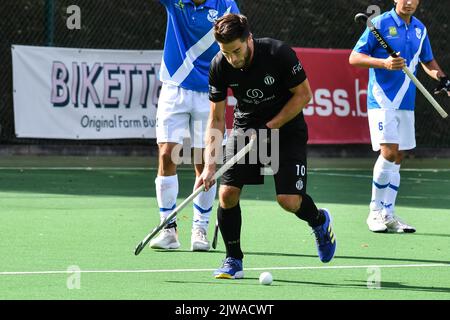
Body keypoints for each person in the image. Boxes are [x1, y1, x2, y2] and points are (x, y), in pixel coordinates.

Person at [196, 13, 337, 279]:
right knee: (227, 194)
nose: (233, 59)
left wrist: (270, 128)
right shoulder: (219, 66)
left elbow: (304, 95)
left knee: (288, 200)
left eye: (237, 50)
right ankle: (233, 259)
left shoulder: (278, 53)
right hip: (246, 126)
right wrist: (209, 166)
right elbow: (215, 118)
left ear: (248, 39)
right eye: (226, 53)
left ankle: (319, 221)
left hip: (287, 127)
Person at [349, 0, 449, 233]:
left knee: (399, 155)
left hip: (406, 101)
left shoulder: (420, 29)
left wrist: (443, 79)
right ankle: (374, 212)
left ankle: (388, 214)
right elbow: (355, 57)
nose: (409, 2)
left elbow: (427, 60)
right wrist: (384, 62)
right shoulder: (380, 23)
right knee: (389, 151)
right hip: (382, 100)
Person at [150, 0, 240, 251]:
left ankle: (200, 228)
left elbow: (240, 41)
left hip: (210, 92)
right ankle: (168, 229)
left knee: (204, 162)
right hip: (174, 87)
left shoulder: (226, 5)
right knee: (167, 154)